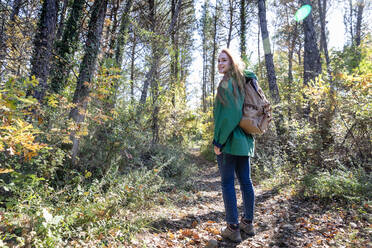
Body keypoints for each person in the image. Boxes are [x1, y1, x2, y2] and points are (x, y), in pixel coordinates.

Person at [213, 48, 255, 242]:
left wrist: (218, 141)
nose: (220, 64)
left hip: (229, 142)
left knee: (228, 183)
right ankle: (248, 223)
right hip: (245, 140)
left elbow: (229, 116)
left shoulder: (226, 85)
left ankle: (233, 228)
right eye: (219, 61)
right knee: (246, 181)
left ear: (232, 63)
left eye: (224, 60)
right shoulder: (243, 80)